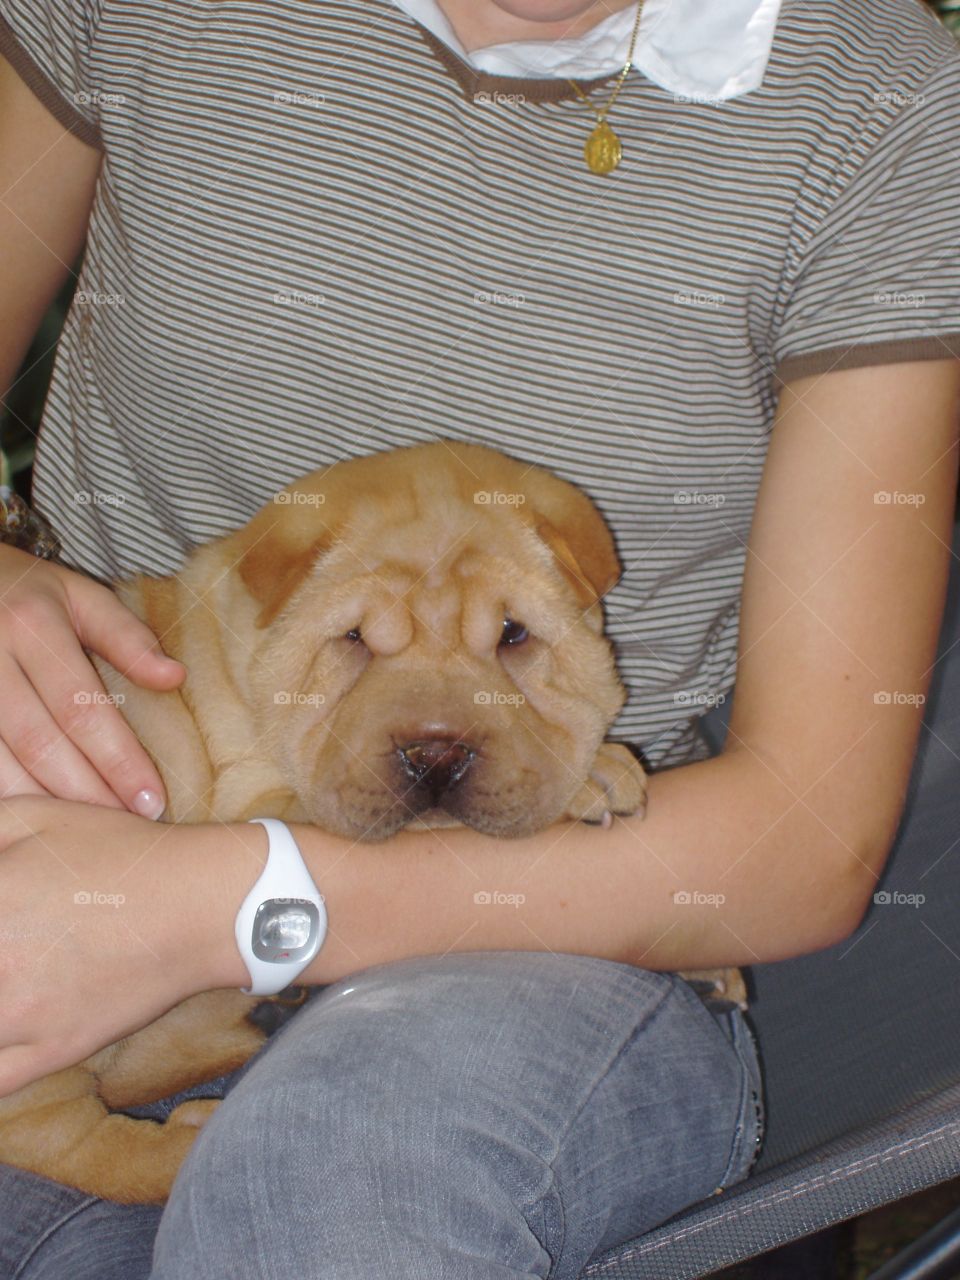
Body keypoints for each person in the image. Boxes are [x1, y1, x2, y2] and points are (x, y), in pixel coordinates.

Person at [0, 0, 958, 1275]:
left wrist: (205, 907)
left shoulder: (871, 95)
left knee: (341, 1188)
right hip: (75, 782)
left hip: (570, 911)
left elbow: (808, 838)